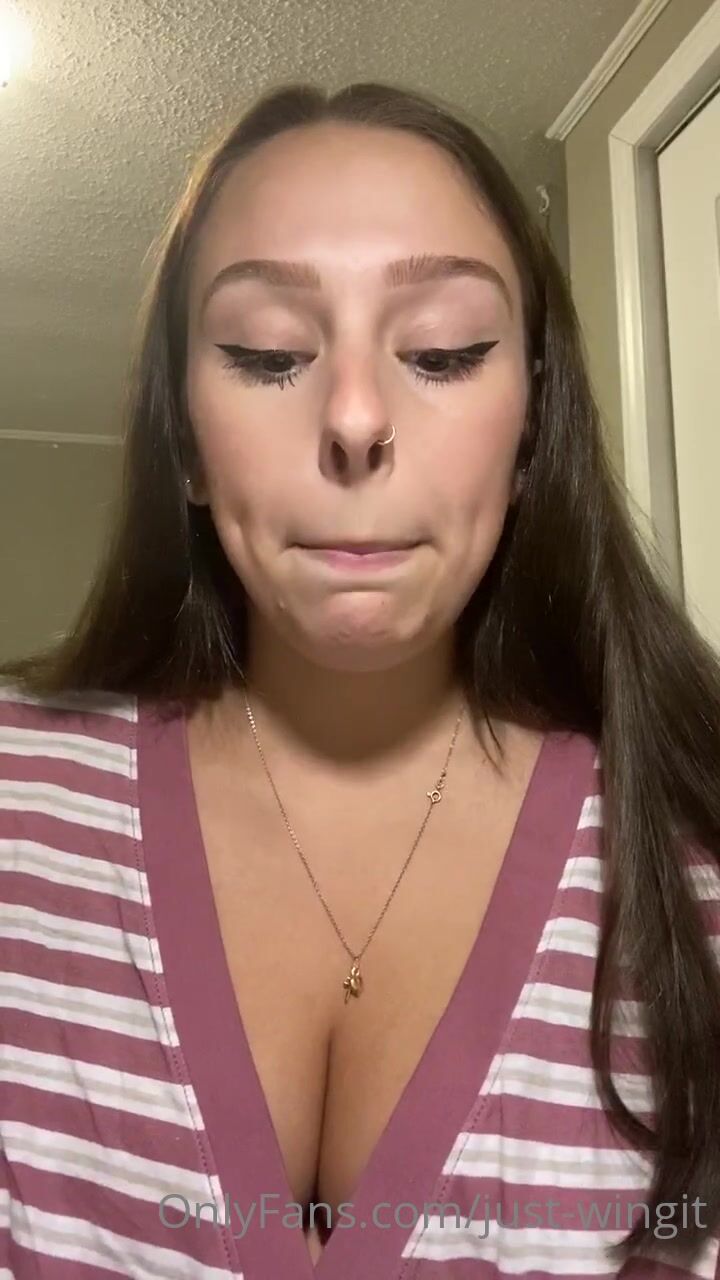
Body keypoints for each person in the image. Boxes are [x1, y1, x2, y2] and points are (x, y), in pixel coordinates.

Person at [1, 79, 720, 1280]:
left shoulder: (690, 852)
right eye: (267, 353)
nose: (352, 415)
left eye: (443, 350)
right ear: (185, 440)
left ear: (533, 428)